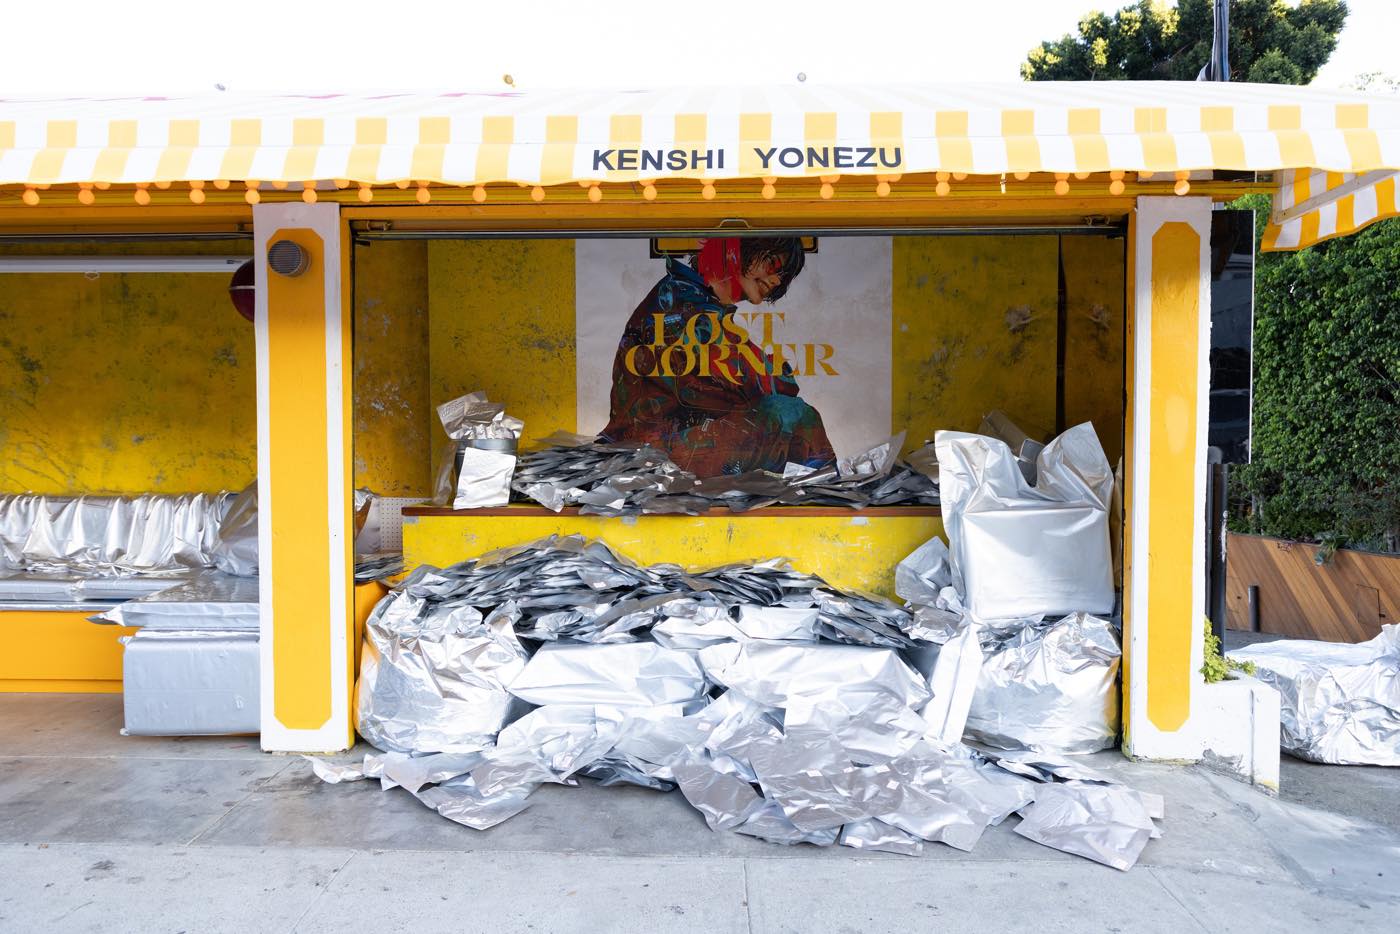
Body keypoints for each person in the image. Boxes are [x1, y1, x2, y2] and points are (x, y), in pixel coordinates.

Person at [600, 236, 835, 477]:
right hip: (651, 455)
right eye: (773, 264)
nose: (777, 280)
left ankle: (812, 493)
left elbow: (753, 380)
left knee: (782, 417)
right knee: (796, 416)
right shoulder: (683, 303)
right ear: (737, 250)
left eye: (783, 276)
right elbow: (763, 382)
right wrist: (770, 372)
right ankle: (825, 496)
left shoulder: (688, 296)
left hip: (662, 450)